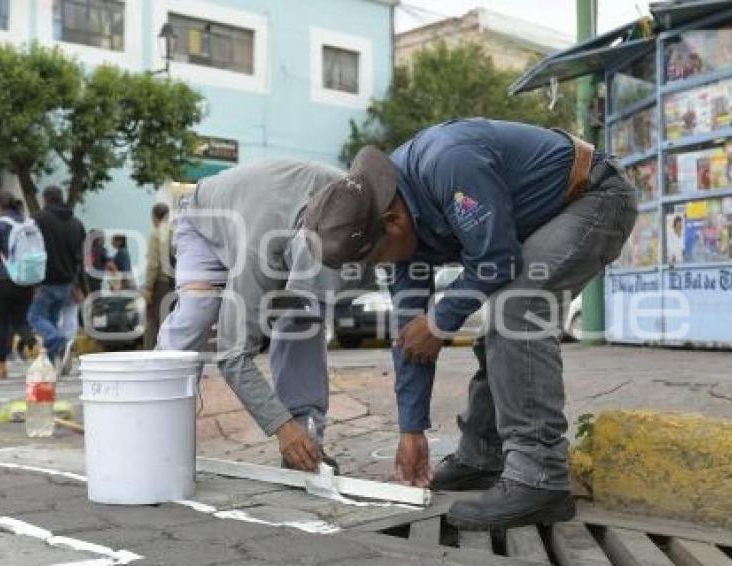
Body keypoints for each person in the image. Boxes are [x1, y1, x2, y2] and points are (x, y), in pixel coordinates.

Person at [303, 119, 637, 530]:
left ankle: (541, 478)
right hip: (546, 216)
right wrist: (411, 430)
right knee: (499, 326)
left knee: (516, 309)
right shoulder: (396, 217)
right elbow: (411, 335)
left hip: (595, 195)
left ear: (392, 222)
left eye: (377, 258)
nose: (382, 267)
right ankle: (482, 457)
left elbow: (497, 259)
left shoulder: (449, 164)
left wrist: (441, 321)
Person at [157, 159, 369, 472]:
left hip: (272, 214)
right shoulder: (258, 247)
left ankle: (307, 438)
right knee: (198, 313)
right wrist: (280, 426)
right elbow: (232, 355)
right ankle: (155, 428)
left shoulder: (358, 205)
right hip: (205, 223)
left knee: (302, 320)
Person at [0, 191, 36, 379]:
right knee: (20, 320)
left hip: (3, 280)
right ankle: (42, 346)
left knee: (2, 322)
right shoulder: (28, 224)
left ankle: (1, 366)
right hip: (26, 280)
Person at [27, 186, 86, 368]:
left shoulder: (38, 220)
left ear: (45, 199)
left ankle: (59, 342)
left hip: (45, 280)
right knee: (51, 320)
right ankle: (52, 363)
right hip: (67, 282)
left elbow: (30, 250)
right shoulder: (76, 224)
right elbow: (80, 258)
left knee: (34, 317)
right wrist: (80, 286)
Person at [143, 203, 175, 349]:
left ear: (154, 217)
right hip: (174, 284)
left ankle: (151, 355)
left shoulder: (156, 234)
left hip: (160, 284)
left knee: (154, 323)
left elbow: (153, 264)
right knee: (170, 322)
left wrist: (148, 287)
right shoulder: (174, 232)